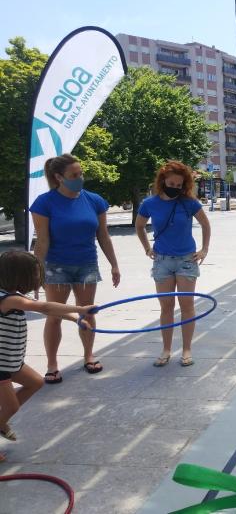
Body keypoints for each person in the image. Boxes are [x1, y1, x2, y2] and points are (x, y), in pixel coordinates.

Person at [30, 154, 120, 384]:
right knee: (55, 315)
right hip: (56, 266)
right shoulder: (44, 203)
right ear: (59, 177)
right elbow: (42, 241)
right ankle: (52, 364)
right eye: (74, 175)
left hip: (87, 263)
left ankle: (89, 355)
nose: (79, 178)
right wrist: (36, 272)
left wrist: (114, 264)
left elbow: (103, 236)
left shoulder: (94, 200)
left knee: (87, 311)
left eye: (81, 173)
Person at [0, 251, 95, 463]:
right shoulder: (7, 299)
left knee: (35, 382)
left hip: (11, 359)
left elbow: (47, 310)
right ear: (19, 276)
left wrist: (75, 320)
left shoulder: (13, 296)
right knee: (11, 407)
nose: (38, 279)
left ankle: (1, 420)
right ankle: (2, 421)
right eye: (34, 275)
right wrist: (80, 308)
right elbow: (43, 306)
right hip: (1, 364)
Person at [135, 161, 211, 367]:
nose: (175, 188)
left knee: (186, 306)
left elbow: (205, 223)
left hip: (186, 259)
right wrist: (147, 248)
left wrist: (204, 249)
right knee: (166, 306)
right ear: (162, 181)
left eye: (179, 185)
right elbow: (139, 226)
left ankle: (187, 350)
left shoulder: (189, 202)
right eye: (171, 183)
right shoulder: (149, 203)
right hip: (162, 260)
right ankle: (166, 349)